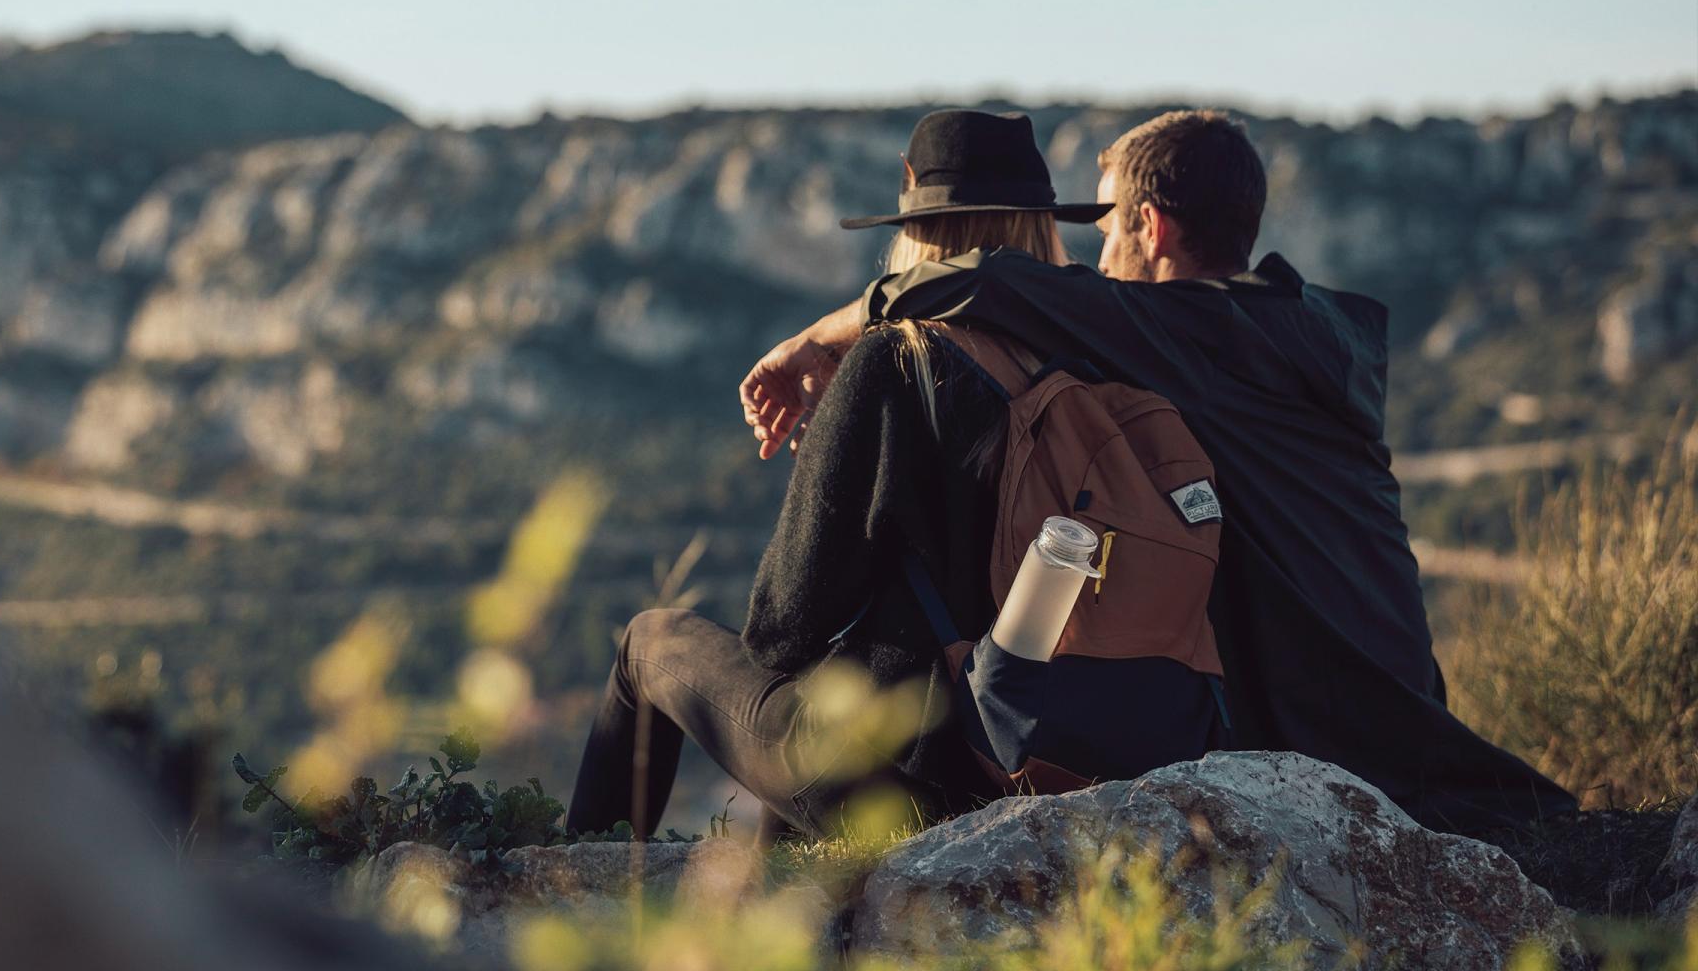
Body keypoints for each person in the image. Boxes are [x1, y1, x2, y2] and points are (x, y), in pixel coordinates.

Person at [741, 110, 1579, 833]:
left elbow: (982, 278)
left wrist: (814, 340)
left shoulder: (1191, 335)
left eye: (1106, 237)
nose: (1094, 264)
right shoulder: (1308, 334)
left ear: (1153, 228)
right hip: (1416, 732)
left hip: (1321, 756)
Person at [566, 110, 1231, 841]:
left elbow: (779, 632)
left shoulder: (897, 362)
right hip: (1033, 765)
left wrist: (835, 458)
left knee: (647, 642)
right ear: (1043, 224)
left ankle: (573, 891)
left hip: (897, 785)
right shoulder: (1102, 368)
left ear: (913, 210)